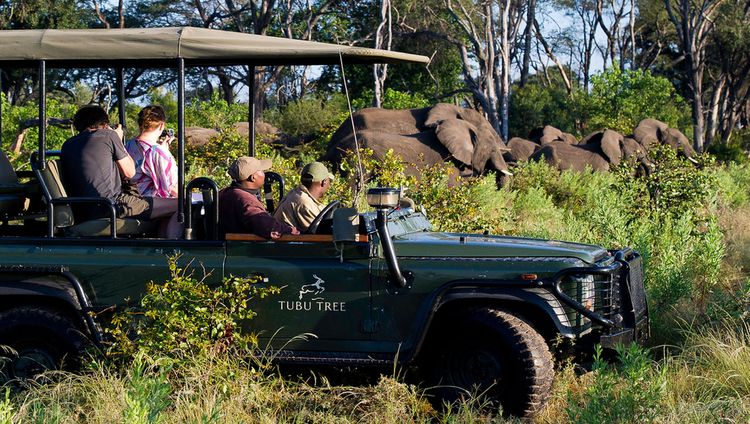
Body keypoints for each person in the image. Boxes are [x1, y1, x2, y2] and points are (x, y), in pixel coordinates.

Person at [60, 104, 181, 239]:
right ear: (104, 123)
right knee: (182, 205)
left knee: (164, 210)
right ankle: (173, 252)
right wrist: (116, 137)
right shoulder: (109, 136)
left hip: (82, 209)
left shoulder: (68, 145)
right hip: (113, 204)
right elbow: (130, 172)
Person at [219, 156, 300, 239]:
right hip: (244, 249)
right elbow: (270, 229)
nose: (265, 174)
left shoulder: (225, 192)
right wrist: (291, 231)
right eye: (262, 171)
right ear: (253, 177)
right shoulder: (246, 201)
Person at [125, 105, 178, 198]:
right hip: (150, 205)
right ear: (162, 125)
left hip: (129, 200)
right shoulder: (158, 152)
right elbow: (171, 187)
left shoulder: (127, 146)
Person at [273, 161, 333, 232]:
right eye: (330, 180)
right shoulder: (303, 202)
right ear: (324, 182)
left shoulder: (297, 194)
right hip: (286, 242)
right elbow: (322, 232)